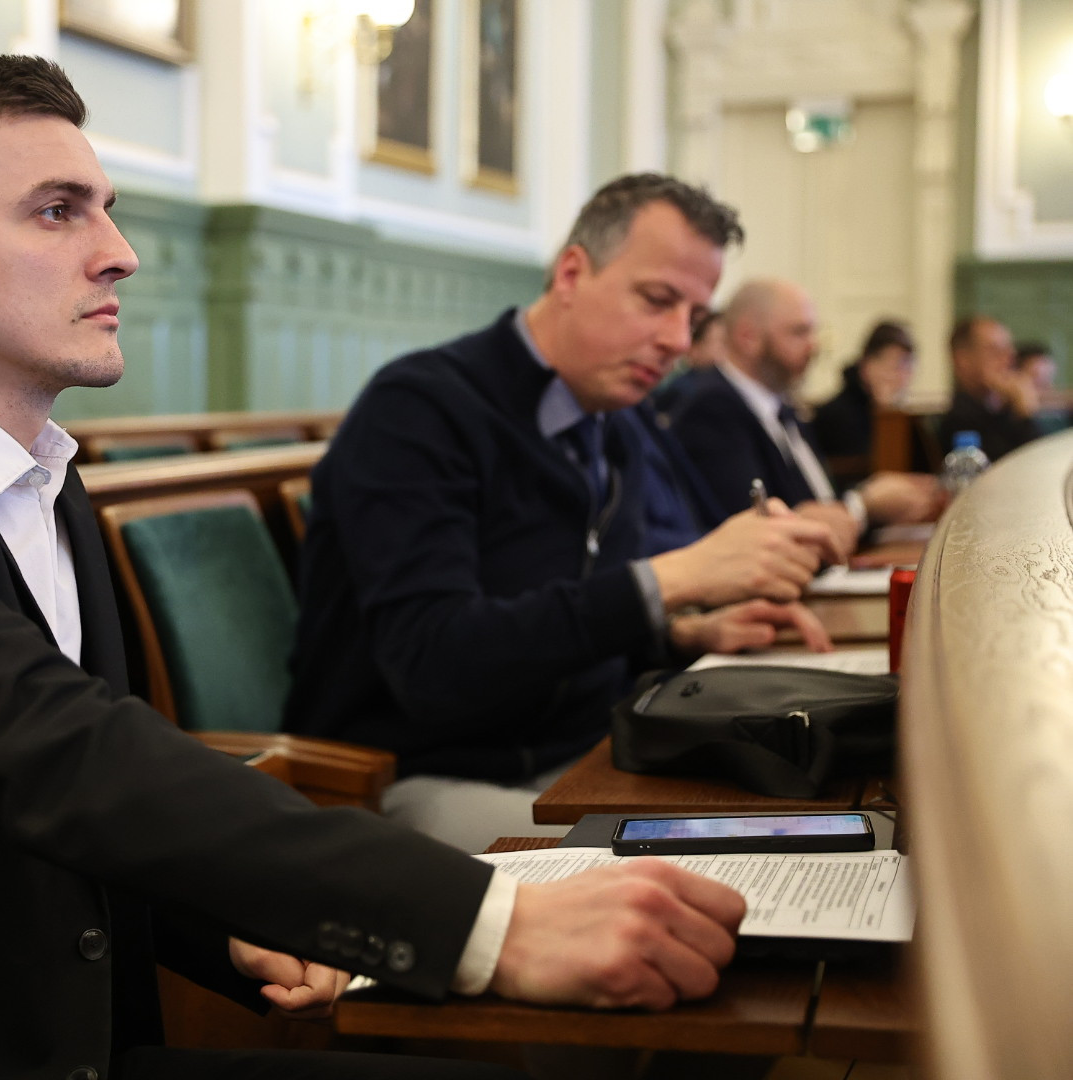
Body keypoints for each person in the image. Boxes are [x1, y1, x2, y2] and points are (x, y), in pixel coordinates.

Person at [0, 55, 749, 1080]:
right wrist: (488, 924)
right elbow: (51, 752)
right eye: (59, 211)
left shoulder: (36, 467)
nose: (119, 250)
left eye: (107, 208)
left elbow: (69, 790)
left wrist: (227, 926)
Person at [284, 174, 842, 854]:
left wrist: (682, 635)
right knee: (719, 865)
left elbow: (569, 625)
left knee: (821, 810)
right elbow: (434, 663)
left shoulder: (616, 422)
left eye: (694, 318)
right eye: (657, 300)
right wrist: (673, 580)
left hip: (584, 754)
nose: (676, 339)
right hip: (420, 776)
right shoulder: (420, 410)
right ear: (573, 273)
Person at [668, 280, 942, 557]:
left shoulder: (780, 406)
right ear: (748, 336)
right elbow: (757, 532)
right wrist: (863, 506)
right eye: (799, 332)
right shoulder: (711, 410)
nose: (814, 346)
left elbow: (816, 500)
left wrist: (871, 504)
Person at [811, 319, 929, 486]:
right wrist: (885, 413)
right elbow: (867, 473)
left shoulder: (901, 414)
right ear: (867, 365)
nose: (901, 376)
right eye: (894, 365)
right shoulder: (835, 414)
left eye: (908, 366)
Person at [938, 315, 1039, 464]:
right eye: (995, 350)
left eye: (1009, 350)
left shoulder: (1004, 411)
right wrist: (1024, 413)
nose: (1008, 359)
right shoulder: (957, 420)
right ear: (962, 359)